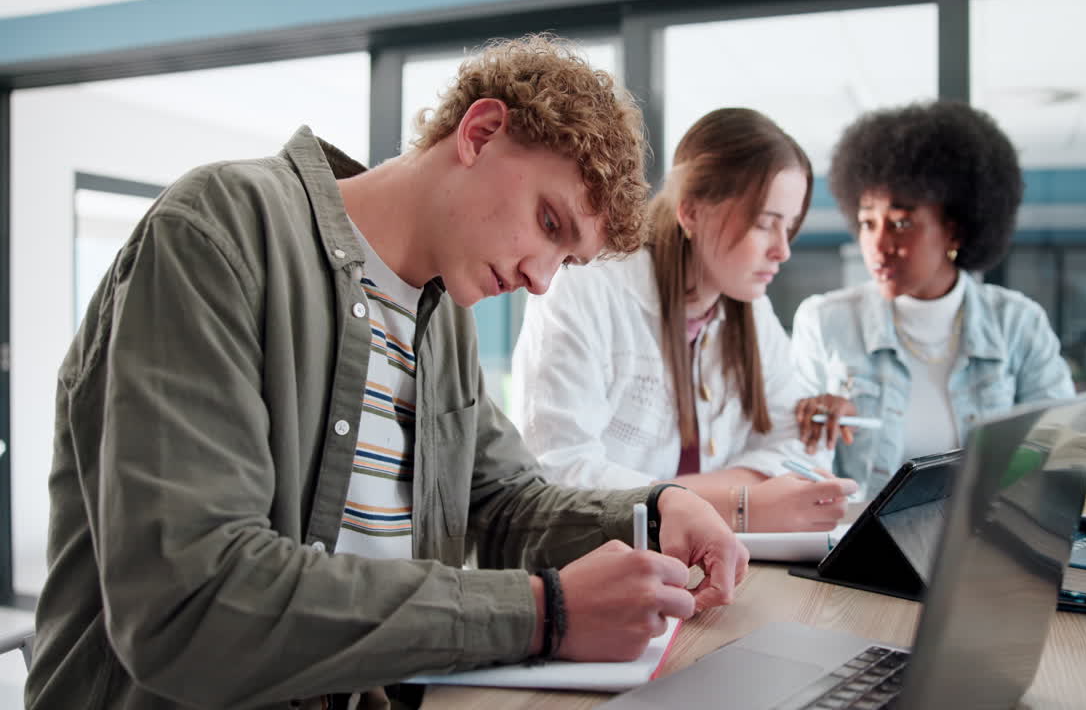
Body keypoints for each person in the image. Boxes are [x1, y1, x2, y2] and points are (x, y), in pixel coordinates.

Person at [27, 35, 748, 710]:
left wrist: (656, 510)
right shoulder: (220, 230)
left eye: (567, 261)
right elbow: (193, 599)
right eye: (550, 223)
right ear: (480, 131)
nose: (540, 280)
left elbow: (503, 506)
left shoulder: (443, 325)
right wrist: (541, 613)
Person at [511, 108, 856, 534]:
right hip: (595, 568)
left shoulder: (750, 310)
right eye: (766, 225)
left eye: (789, 228)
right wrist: (742, 505)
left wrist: (681, 500)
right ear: (691, 211)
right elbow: (562, 476)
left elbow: (801, 458)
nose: (782, 251)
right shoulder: (588, 286)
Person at [791, 100, 1086, 501]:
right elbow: (790, 456)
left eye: (901, 223)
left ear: (955, 231)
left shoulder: (1017, 323)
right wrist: (815, 426)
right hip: (860, 548)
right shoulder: (825, 321)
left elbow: (1065, 444)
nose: (878, 245)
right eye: (867, 223)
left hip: (984, 542)